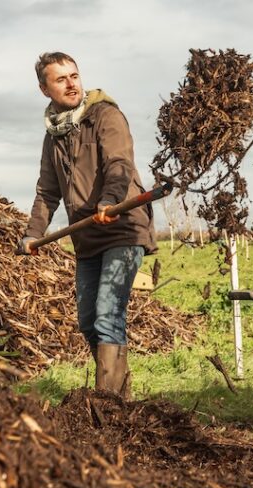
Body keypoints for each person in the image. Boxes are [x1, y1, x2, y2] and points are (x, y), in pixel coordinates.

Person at [20, 52, 158, 399]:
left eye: (74, 76)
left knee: (108, 315)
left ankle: (107, 407)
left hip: (124, 225)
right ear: (44, 89)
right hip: (87, 236)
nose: (71, 83)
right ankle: (121, 400)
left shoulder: (104, 115)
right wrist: (33, 233)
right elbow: (47, 191)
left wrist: (109, 200)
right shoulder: (53, 137)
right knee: (87, 320)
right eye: (60, 79)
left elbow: (118, 162)